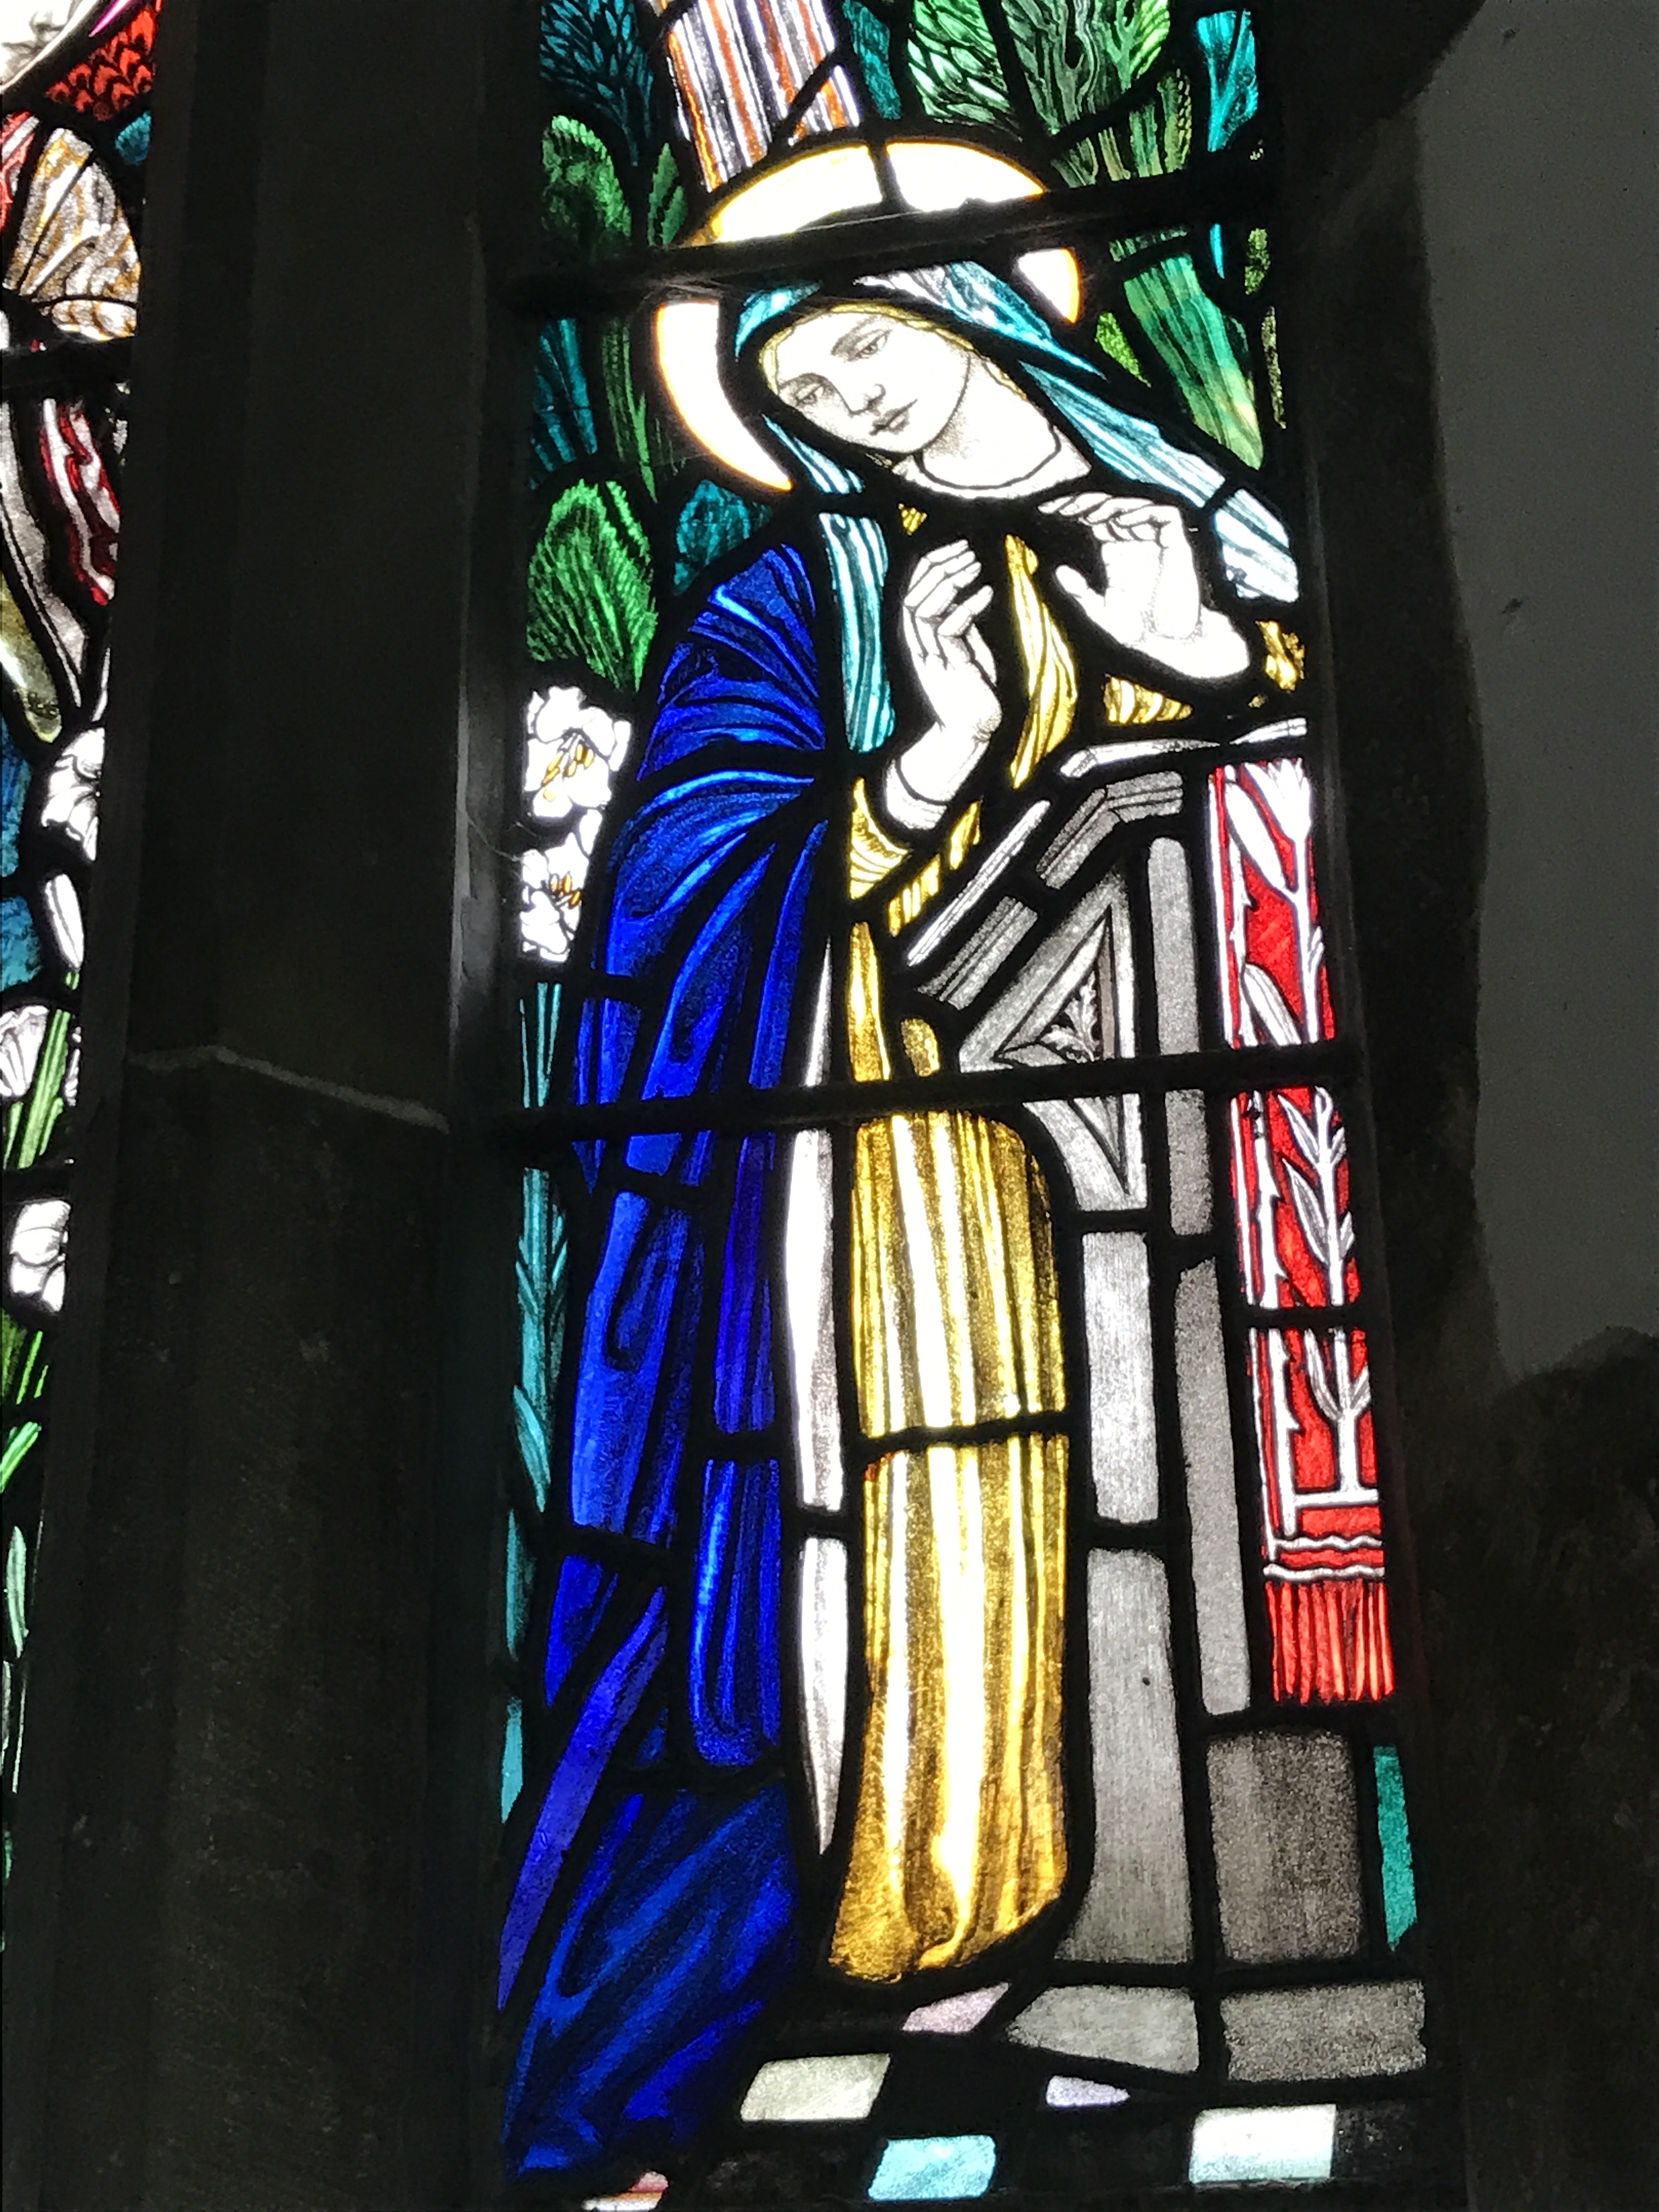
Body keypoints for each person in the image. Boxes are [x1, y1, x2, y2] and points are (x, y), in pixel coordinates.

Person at [501, 255, 1293, 2177]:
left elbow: (1323, 784)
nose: (849, 404)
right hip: (899, 1187)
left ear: (968, 309)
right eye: (806, 395)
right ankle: (936, 1931)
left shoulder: (1207, 523)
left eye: (863, 345)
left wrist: (1201, 654)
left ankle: (1199, 1930)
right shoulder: (803, 601)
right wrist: (923, 760)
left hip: (1193, 1153)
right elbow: (684, 889)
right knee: (938, 1552)